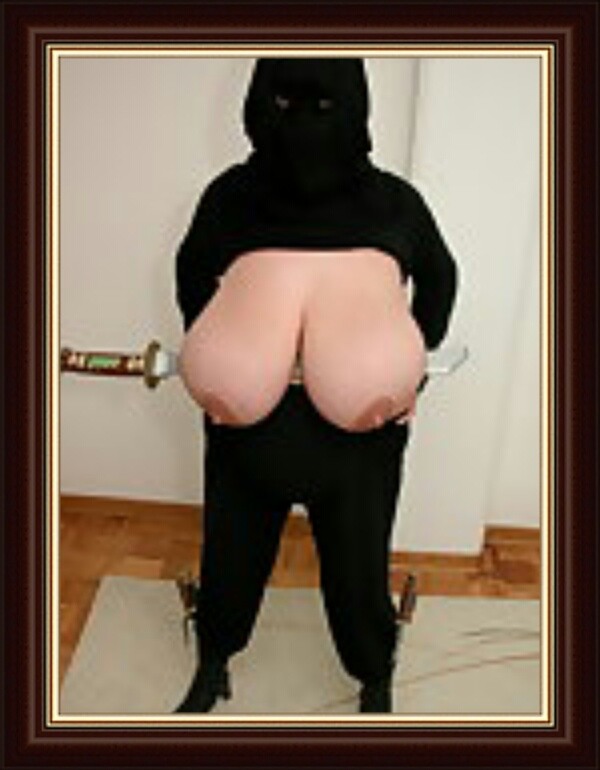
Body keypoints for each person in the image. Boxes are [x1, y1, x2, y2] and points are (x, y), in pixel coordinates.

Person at [174, 58, 458, 713]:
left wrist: (408, 364)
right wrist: (220, 355)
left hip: (358, 441)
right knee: (231, 556)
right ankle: (213, 663)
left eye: (322, 107)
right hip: (250, 431)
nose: (301, 124)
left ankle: (374, 677)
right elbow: (191, 274)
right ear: (256, 105)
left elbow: (440, 278)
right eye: (282, 105)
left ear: (354, 108)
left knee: (358, 571)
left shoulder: (394, 201)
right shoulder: (230, 196)